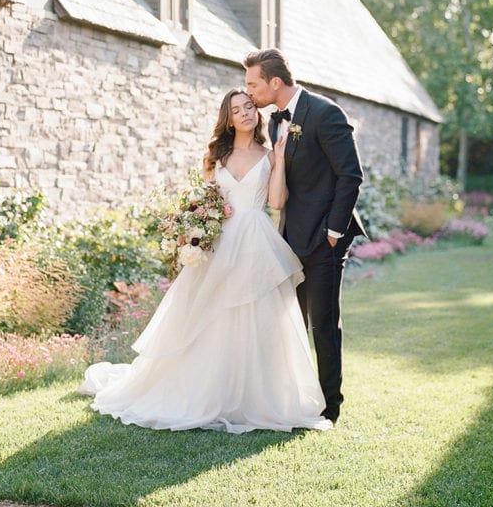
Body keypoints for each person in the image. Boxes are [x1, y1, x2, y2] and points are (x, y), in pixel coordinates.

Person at [79, 88, 332, 433]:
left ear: (256, 114)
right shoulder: (215, 156)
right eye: (236, 110)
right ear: (227, 118)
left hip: (257, 240)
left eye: (249, 107)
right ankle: (204, 391)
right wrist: (197, 228)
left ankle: (254, 396)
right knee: (209, 317)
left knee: (258, 317)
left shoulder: (270, 154)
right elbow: (207, 201)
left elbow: (276, 202)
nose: (245, 114)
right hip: (223, 243)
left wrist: (282, 160)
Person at [244, 49, 364, 424]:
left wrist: (333, 231)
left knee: (323, 324)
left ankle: (330, 408)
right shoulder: (275, 121)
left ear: (274, 82)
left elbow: (351, 176)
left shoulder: (325, 113)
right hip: (290, 239)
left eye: (253, 83)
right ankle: (294, 398)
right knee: (291, 322)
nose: (248, 93)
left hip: (325, 240)